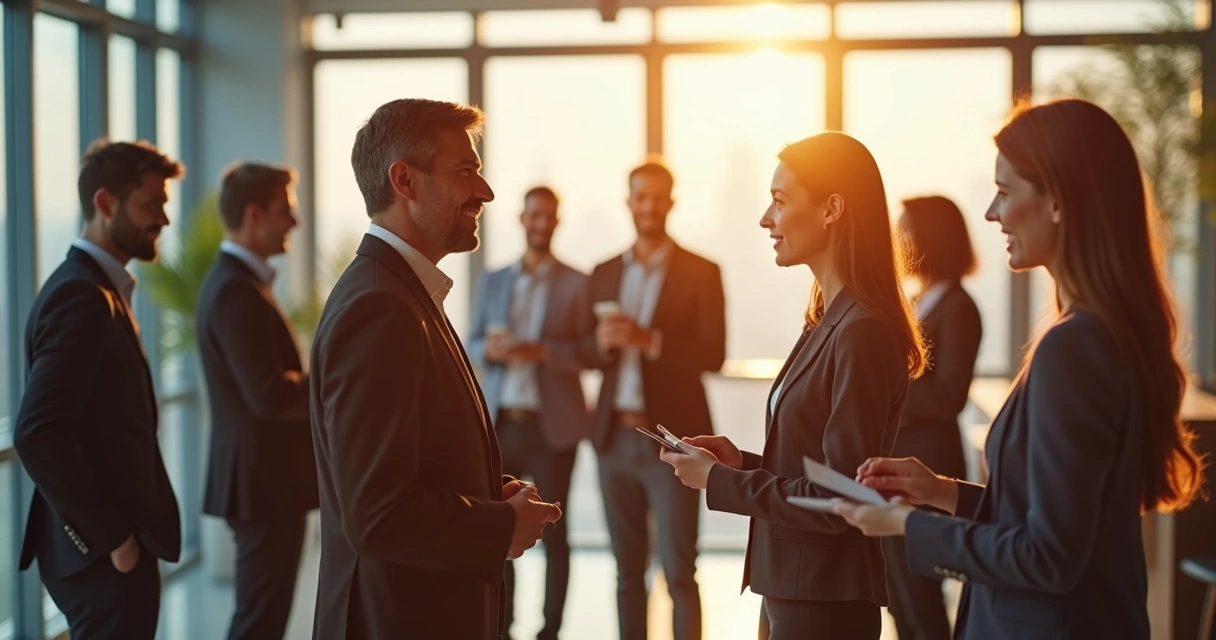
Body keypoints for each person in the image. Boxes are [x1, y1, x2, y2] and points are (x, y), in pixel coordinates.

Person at [835, 99, 1208, 640]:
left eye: (1005, 193)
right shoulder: (1102, 335)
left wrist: (907, 526)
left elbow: (1048, 557)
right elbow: (1060, 522)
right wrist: (941, 492)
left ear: (1057, 201)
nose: (991, 213)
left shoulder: (1074, 348)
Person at [309, 98, 562, 640]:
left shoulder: (402, 293)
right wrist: (499, 526)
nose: (486, 191)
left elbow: (406, 466)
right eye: (466, 171)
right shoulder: (379, 307)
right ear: (405, 180)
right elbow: (376, 512)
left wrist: (486, 493)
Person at [661, 132, 925, 640]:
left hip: (822, 598)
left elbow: (837, 498)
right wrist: (742, 463)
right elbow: (820, 467)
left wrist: (718, 482)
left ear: (831, 209)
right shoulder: (828, 319)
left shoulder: (862, 330)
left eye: (780, 202)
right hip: (792, 587)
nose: (766, 219)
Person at [13, 139, 184, 639]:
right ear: (105, 202)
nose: (164, 220)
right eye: (152, 203)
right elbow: (36, 431)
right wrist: (114, 539)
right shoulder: (82, 296)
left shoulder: (97, 288)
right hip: (104, 559)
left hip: (110, 554)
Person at [581, 159, 726, 640]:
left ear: (670, 202)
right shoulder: (601, 273)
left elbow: (714, 353)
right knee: (626, 572)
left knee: (681, 569)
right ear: (629, 202)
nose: (648, 206)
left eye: (657, 197)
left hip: (673, 441)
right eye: (639, 197)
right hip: (612, 438)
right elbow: (584, 349)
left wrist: (650, 340)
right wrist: (602, 344)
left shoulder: (702, 271)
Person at [197, 162, 316, 640]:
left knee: (262, 617)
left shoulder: (240, 284)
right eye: (284, 210)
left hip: (264, 482)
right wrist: (338, 375)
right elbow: (269, 395)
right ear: (254, 214)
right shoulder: (235, 291)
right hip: (263, 485)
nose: (294, 221)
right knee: (259, 622)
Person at [468, 185, 591, 640]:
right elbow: (473, 339)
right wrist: (491, 349)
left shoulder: (578, 283)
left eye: (549, 217)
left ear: (556, 222)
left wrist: (542, 352)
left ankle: (550, 632)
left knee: (556, 534)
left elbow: (588, 352)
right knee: (501, 528)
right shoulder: (494, 279)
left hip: (552, 428)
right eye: (534, 215)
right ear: (522, 219)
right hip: (501, 425)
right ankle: (503, 627)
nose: (541, 224)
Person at [884, 195, 983, 640]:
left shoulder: (959, 307)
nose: (897, 239)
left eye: (904, 230)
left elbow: (948, 398)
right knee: (900, 599)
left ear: (929, 238)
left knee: (921, 603)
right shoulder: (920, 299)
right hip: (900, 469)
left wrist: (885, 393)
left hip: (929, 468)